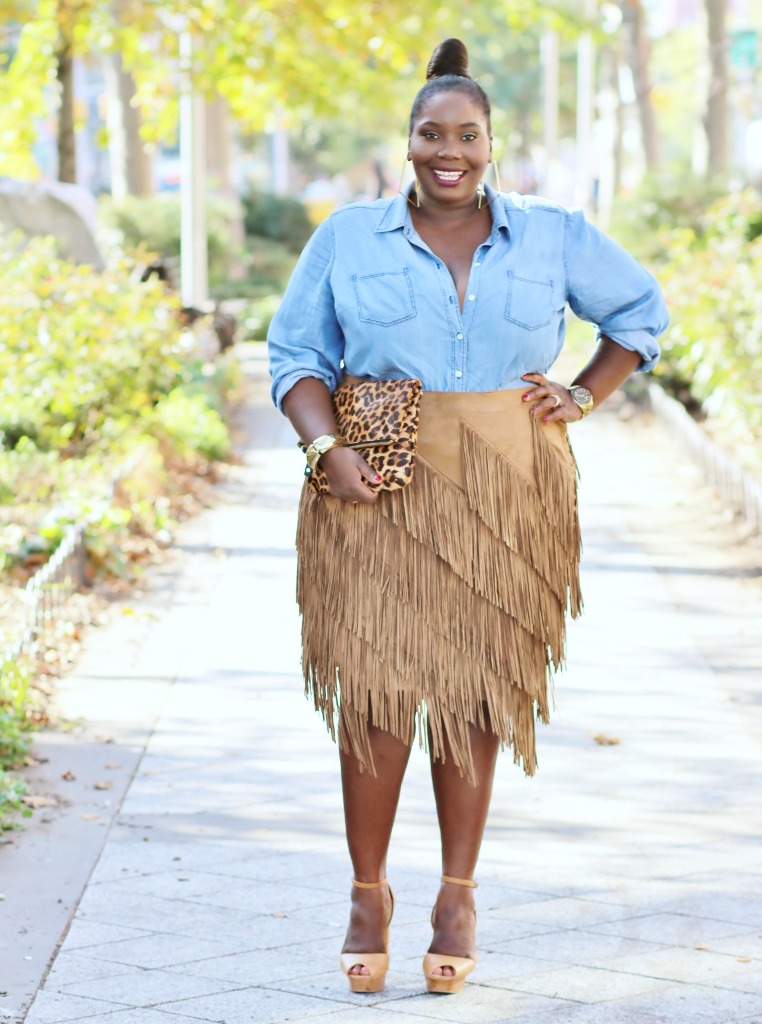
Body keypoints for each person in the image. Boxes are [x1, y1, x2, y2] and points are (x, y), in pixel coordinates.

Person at [268, 38, 668, 997]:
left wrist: (584, 394)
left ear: (493, 142)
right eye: (430, 133)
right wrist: (328, 451)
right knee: (371, 688)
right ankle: (369, 893)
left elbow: (641, 314)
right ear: (406, 142)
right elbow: (294, 356)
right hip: (373, 476)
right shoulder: (346, 237)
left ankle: (457, 894)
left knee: (474, 692)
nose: (449, 151)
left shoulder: (553, 233)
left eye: (468, 135)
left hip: (505, 481)